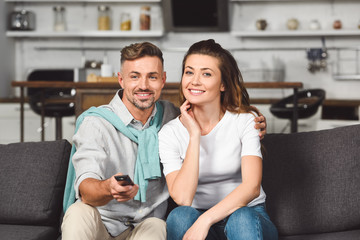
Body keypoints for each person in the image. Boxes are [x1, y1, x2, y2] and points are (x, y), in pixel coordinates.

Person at [61, 41, 267, 240]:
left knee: (232, 219)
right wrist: (108, 188)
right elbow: (86, 188)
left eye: (152, 77)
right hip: (103, 221)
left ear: (163, 80)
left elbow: (213, 116)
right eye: (134, 76)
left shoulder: (170, 115)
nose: (143, 85)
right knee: (80, 213)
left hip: (148, 223)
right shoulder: (98, 123)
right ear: (121, 80)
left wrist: (251, 125)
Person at [159, 39, 278, 240]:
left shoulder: (245, 121)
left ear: (223, 84)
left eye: (206, 73)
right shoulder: (169, 133)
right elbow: (183, 198)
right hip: (197, 214)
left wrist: (206, 221)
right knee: (179, 216)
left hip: (247, 216)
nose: (194, 81)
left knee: (241, 219)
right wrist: (194, 136)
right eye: (189, 72)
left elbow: (251, 187)